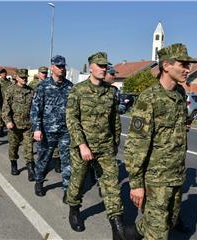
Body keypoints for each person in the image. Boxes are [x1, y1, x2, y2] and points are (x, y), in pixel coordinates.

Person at [124, 43, 197, 240]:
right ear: (166, 65)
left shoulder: (180, 94)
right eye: (183, 64)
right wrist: (136, 184)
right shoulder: (148, 98)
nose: (188, 69)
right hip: (156, 179)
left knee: (170, 222)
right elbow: (135, 145)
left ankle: (129, 234)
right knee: (158, 234)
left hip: (176, 174)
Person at [66, 52, 125, 238]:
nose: (103, 68)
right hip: (83, 147)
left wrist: (116, 142)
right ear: (90, 67)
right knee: (78, 181)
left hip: (105, 147)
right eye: (99, 65)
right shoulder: (78, 90)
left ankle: (117, 225)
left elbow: (115, 119)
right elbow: (71, 119)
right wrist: (82, 145)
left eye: (105, 65)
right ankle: (74, 210)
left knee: (112, 184)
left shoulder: (111, 91)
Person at [31, 55, 73, 202]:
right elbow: (35, 109)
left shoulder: (70, 86)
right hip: (47, 131)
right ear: (52, 67)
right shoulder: (42, 86)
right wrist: (37, 129)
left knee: (67, 161)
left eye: (63, 66)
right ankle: (39, 181)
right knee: (44, 158)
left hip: (65, 131)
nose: (61, 69)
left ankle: (68, 190)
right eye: (58, 66)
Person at [2, 69, 35, 181]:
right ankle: (14, 163)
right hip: (14, 125)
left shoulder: (31, 91)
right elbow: (6, 108)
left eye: (26, 77)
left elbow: (34, 108)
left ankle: (31, 169)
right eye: (22, 77)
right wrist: (8, 121)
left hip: (28, 125)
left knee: (28, 148)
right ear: (17, 78)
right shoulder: (10, 90)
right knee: (13, 146)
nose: (24, 79)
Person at [0, 68, 11, 137]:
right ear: (0, 74)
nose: (4, 75)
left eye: (5, 73)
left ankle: (6, 128)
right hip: (0, 101)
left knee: (7, 114)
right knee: (0, 115)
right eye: (2, 73)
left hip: (7, 101)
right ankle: (0, 129)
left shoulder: (9, 82)